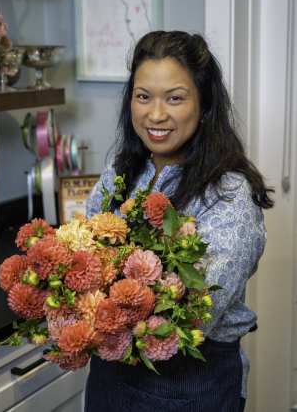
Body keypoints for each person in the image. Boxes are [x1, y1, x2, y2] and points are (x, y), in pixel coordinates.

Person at [84, 31, 273, 412]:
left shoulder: (228, 196)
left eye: (175, 97)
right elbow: (82, 259)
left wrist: (95, 298)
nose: (156, 114)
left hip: (191, 386)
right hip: (107, 379)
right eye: (143, 96)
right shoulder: (119, 173)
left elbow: (196, 316)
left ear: (204, 105)